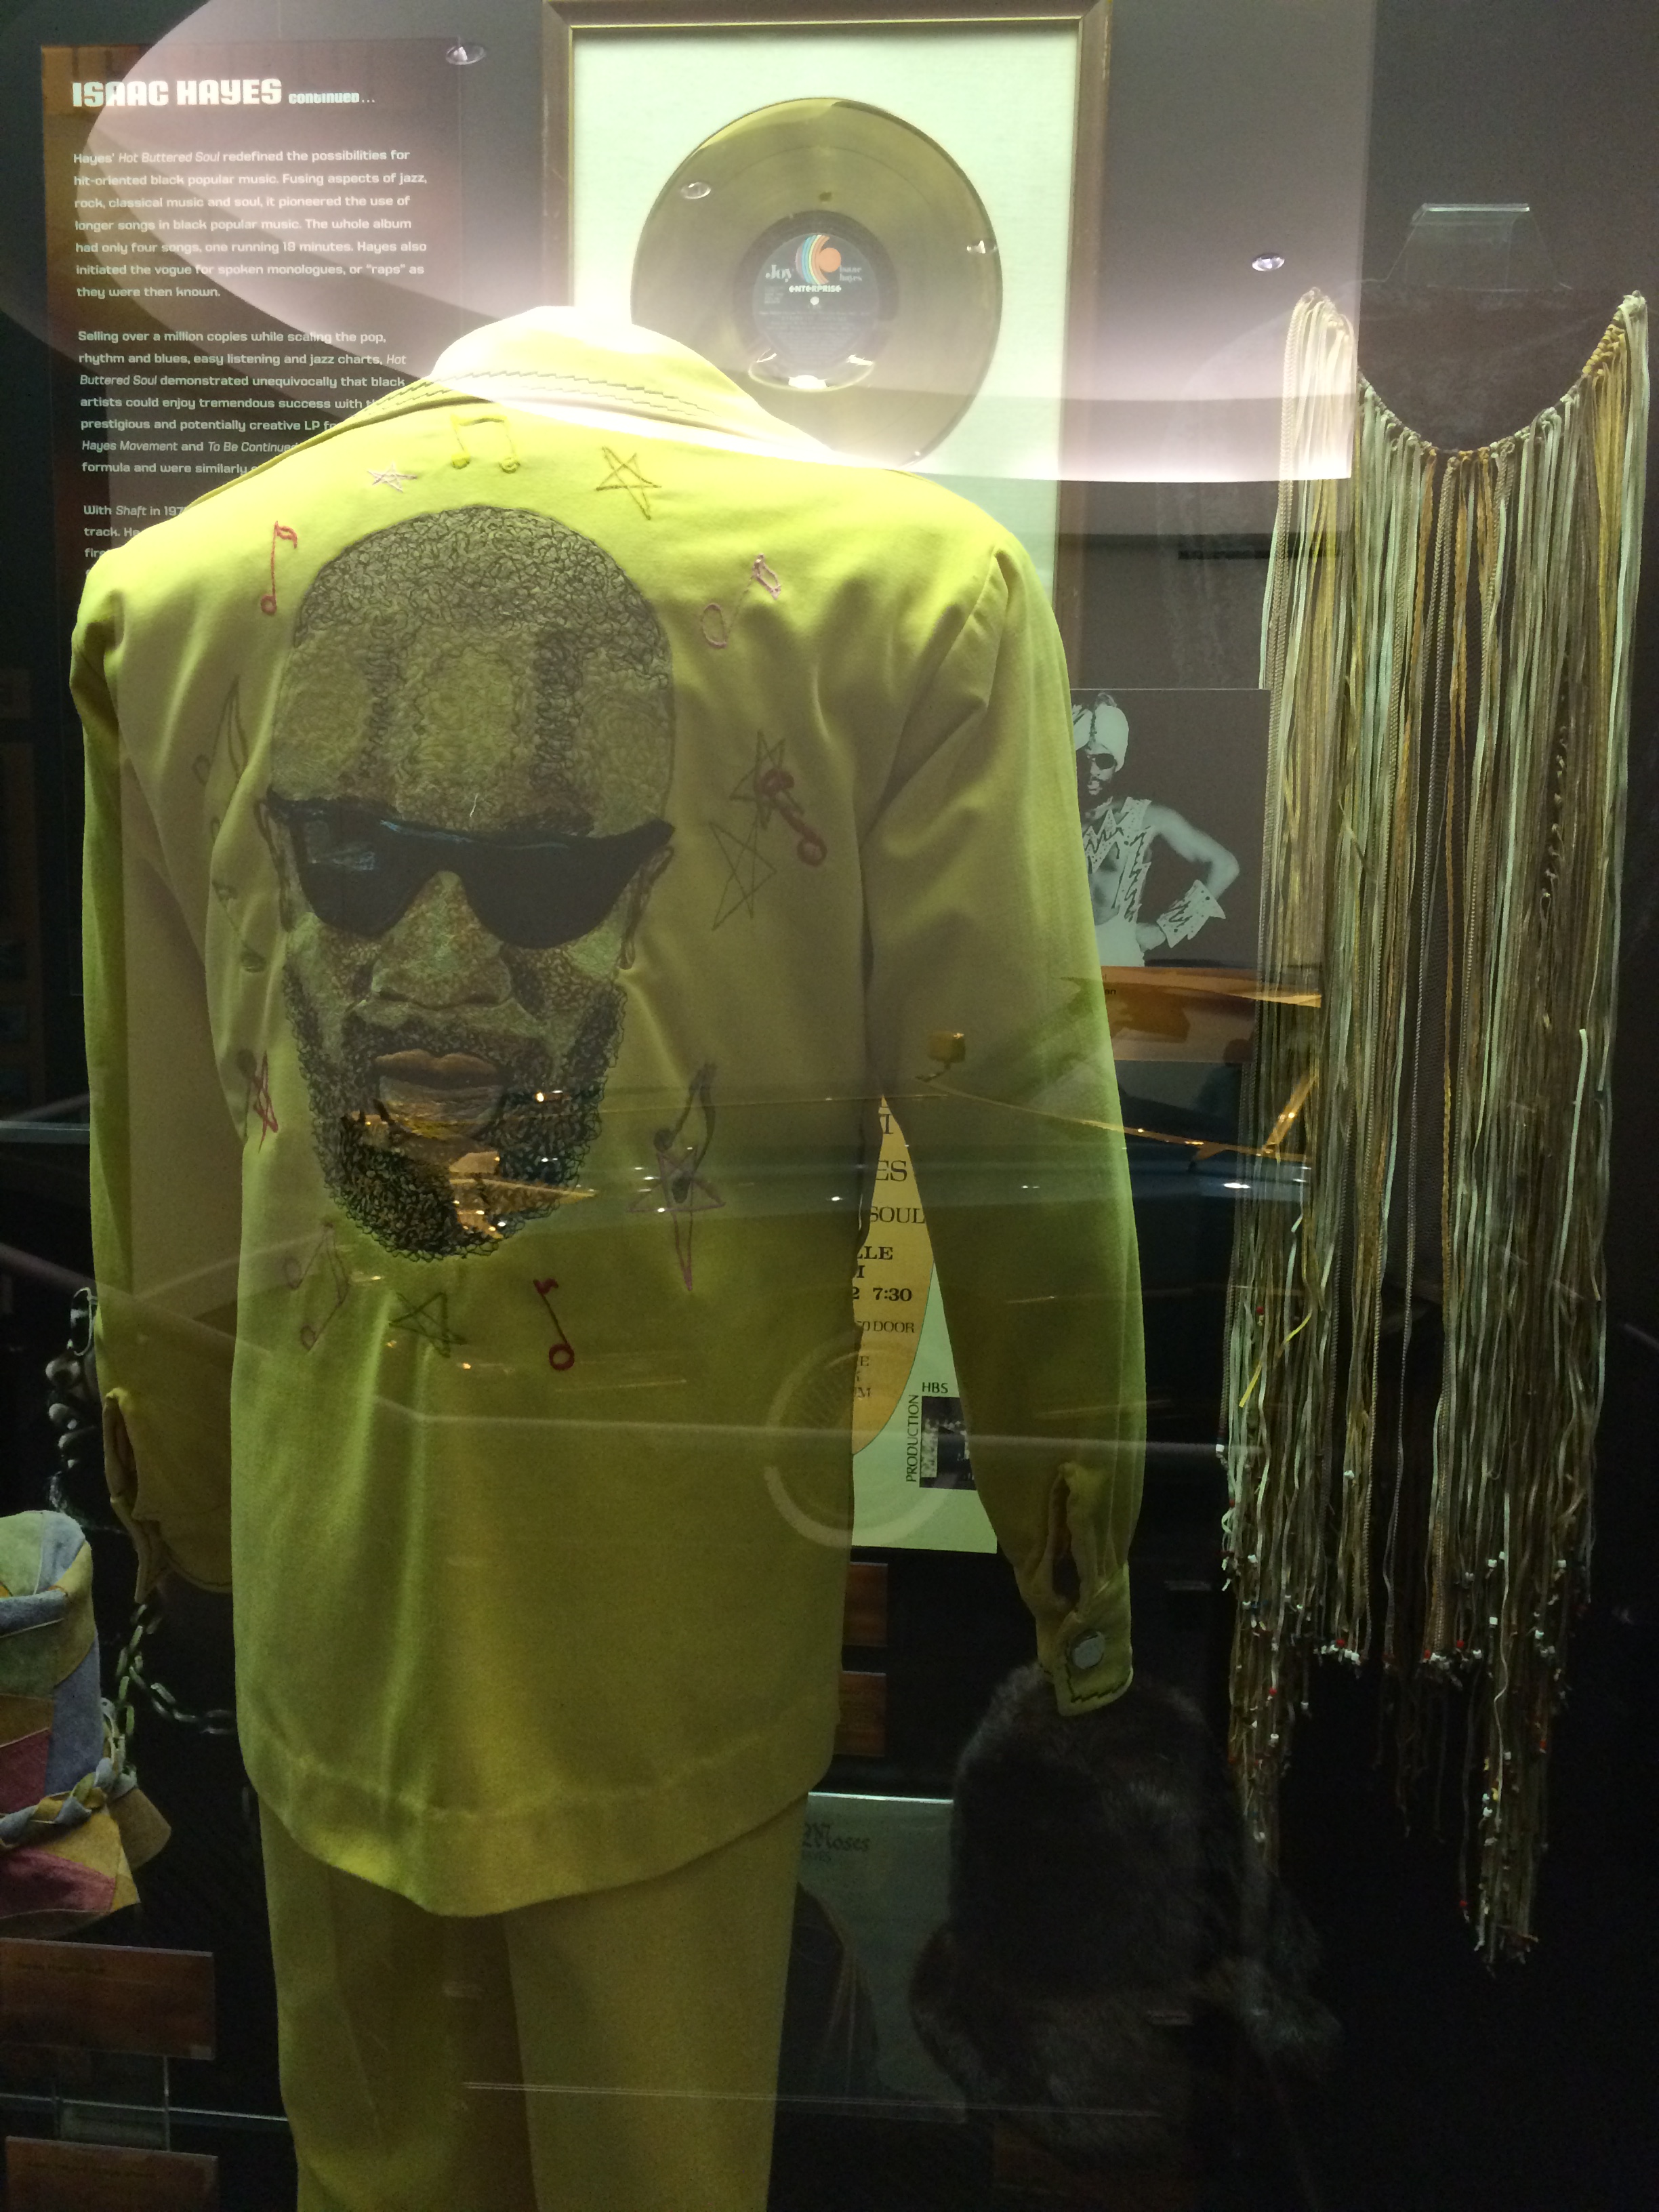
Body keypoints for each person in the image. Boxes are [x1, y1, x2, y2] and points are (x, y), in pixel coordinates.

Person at [75, 308, 1144, 2212]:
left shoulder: (169, 603)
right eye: (354, 864)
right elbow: (1019, 1126)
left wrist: (194, 1510)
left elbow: (158, 1150)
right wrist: (1077, 1537)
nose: (434, 971)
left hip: (340, 1609)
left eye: (548, 880)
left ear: (640, 876)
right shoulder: (914, 598)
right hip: (669, 1635)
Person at [1073, 690, 1240, 966]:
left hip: (1117, 954)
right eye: (1083, 759)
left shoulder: (1145, 817)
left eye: (1103, 761)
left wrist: (1166, 929)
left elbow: (1225, 865)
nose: (1092, 772)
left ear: (1116, 763)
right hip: (1060, 953)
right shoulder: (1055, 819)